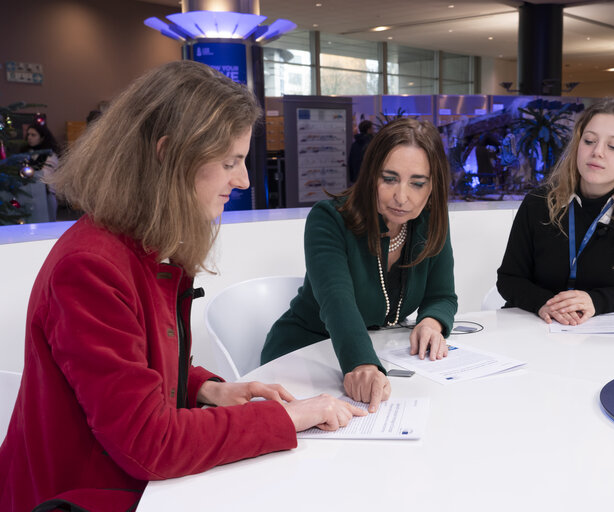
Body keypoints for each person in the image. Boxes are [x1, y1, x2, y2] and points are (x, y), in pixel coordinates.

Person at [0, 61, 363, 512]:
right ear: (169, 154)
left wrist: (208, 389)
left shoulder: (142, 247)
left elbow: (136, 368)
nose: (244, 179)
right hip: (79, 496)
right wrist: (288, 416)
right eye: (230, 162)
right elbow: (149, 443)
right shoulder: (90, 269)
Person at [262, 118, 457, 412]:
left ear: (433, 186)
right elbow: (337, 303)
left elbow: (442, 295)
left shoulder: (430, 221)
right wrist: (362, 363)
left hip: (374, 356)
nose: (402, 197)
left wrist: (431, 323)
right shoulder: (329, 219)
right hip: (302, 357)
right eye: (389, 179)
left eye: (417, 183)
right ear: (370, 175)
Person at [497, 97, 614, 325]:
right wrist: (545, 304)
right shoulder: (538, 202)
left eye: (613, 146)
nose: (597, 152)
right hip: (537, 328)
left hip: (608, 336)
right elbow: (509, 279)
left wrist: (596, 301)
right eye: (589, 141)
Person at [24, 121, 61, 221]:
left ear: (42, 137)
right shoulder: (25, 154)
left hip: (45, 195)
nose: (29, 137)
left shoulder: (50, 155)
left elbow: (45, 176)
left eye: (33, 135)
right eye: (28, 135)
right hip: (26, 195)